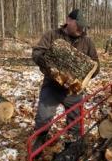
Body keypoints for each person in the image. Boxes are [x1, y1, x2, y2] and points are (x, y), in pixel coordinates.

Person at [32, 9, 100, 152]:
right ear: (68, 20)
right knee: (43, 118)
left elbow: (96, 65)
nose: (81, 29)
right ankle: (39, 141)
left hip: (73, 91)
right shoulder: (52, 35)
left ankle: (72, 146)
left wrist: (84, 78)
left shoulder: (87, 42)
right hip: (52, 86)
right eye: (78, 25)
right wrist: (50, 62)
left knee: (75, 122)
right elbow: (36, 53)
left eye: (83, 26)